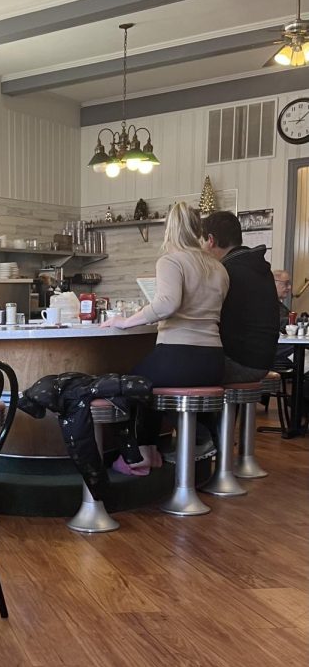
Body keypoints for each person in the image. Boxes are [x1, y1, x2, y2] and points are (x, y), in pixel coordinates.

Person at [100, 202, 229, 474]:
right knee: (146, 383)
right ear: (199, 229)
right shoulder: (218, 267)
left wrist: (125, 321)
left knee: (129, 385)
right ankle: (155, 450)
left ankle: (138, 456)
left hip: (180, 358)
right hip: (214, 361)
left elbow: (167, 304)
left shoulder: (171, 260)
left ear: (169, 228)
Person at [201, 211, 279, 383]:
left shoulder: (225, 271)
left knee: (179, 369)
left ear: (211, 240)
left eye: (203, 241)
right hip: (263, 361)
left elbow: (205, 313)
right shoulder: (260, 268)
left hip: (238, 363)